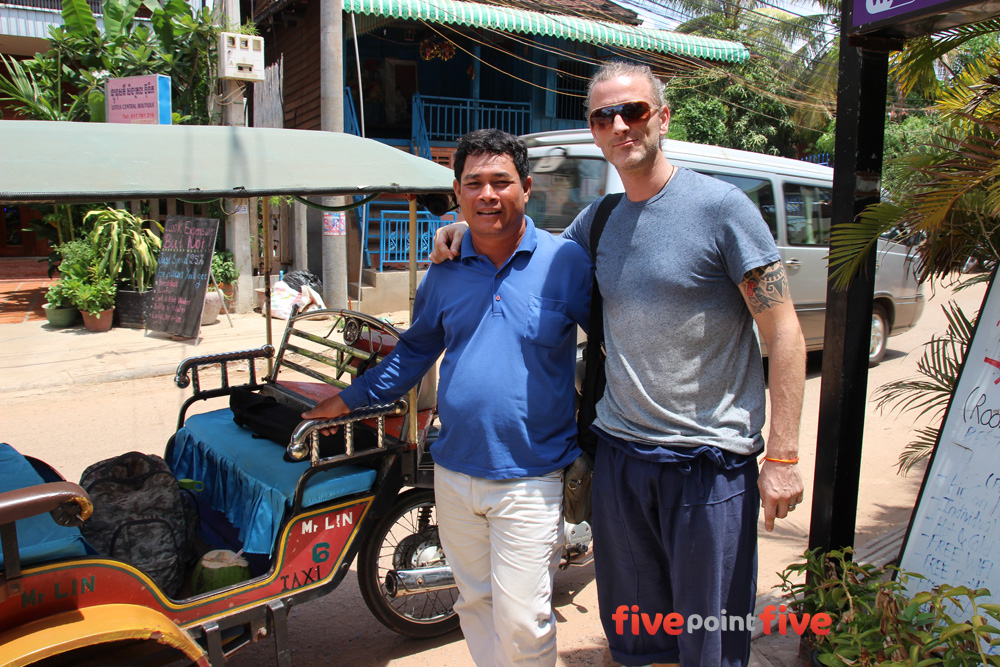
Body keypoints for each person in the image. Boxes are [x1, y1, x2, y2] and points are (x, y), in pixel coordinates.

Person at [430, 62, 806, 666]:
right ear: (594, 129)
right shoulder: (599, 221)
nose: (619, 126)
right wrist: (461, 230)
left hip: (707, 463)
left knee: (708, 641)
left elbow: (784, 332)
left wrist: (782, 456)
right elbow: (526, 251)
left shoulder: (721, 209)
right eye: (604, 116)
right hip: (622, 462)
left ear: (660, 117)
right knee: (634, 636)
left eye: (632, 111)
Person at [303, 129, 592, 666]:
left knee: (525, 617)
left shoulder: (565, 263)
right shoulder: (444, 272)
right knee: (476, 604)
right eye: (474, 183)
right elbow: (413, 354)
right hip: (455, 472)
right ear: (457, 192)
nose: (488, 194)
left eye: (501, 182)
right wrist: (347, 401)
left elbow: (607, 344)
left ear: (526, 188)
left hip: (532, 476)